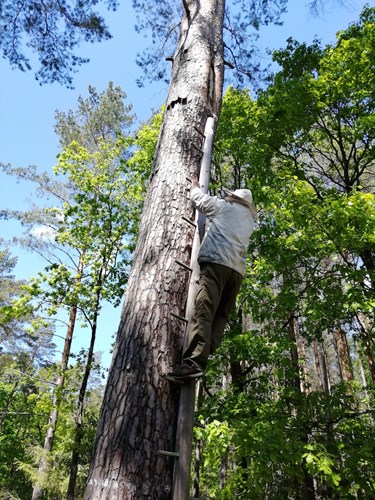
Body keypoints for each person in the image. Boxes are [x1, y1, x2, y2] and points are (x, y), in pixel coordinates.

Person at [167, 178, 257, 382]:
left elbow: (200, 201)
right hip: (237, 273)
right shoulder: (249, 222)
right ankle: (209, 346)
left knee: (204, 310)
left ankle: (193, 363)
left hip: (217, 263)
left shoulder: (225, 207)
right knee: (221, 314)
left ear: (235, 199)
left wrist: (194, 187)